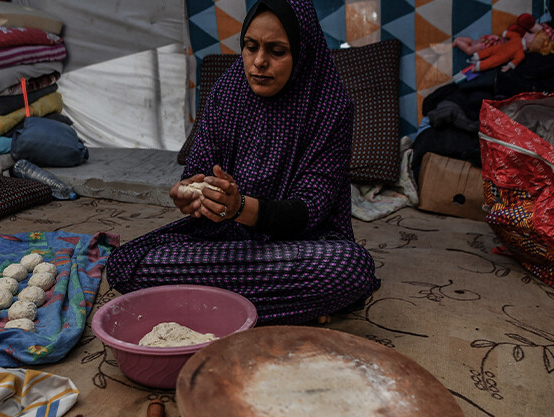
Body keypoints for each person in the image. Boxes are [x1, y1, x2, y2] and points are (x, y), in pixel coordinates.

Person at [105, 0, 380, 325]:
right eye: (250, 47)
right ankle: (288, 308)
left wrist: (239, 207)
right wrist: (188, 194)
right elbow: (198, 175)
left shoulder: (330, 105)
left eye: (276, 51)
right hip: (228, 243)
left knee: (350, 267)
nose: (258, 62)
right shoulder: (228, 91)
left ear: (302, 51)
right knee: (126, 263)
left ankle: (202, 305)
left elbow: (309, 210)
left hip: (300, 247)